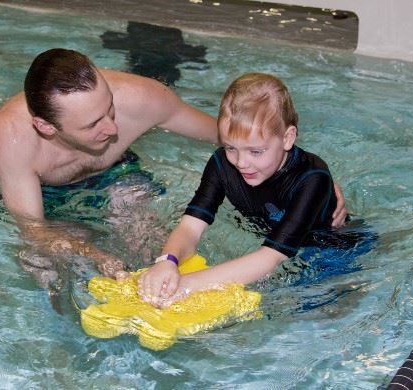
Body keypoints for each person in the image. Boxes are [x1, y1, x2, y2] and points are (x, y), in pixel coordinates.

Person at [0, 49, 346, 279]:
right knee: (45, 267)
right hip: (47, 197)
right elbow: (33, 229)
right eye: (93, 124)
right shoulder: (14, 138)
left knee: (146, 250)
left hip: (117, 177)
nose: (113, 128)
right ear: (46, 128)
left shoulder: (142, 98)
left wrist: (312, 178)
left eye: (109, 108)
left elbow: (232, 135)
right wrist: (91, 253)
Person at [137, 72, 351, 306]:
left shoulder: (312, 178)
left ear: (288, 138)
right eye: (230, 147)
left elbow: (270, 258)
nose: (241, 162)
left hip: (331, 252)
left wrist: (186, 287)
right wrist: (167, 262)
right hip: (270, 241)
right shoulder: (222, 164)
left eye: (256, 151)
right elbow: (190, 226)